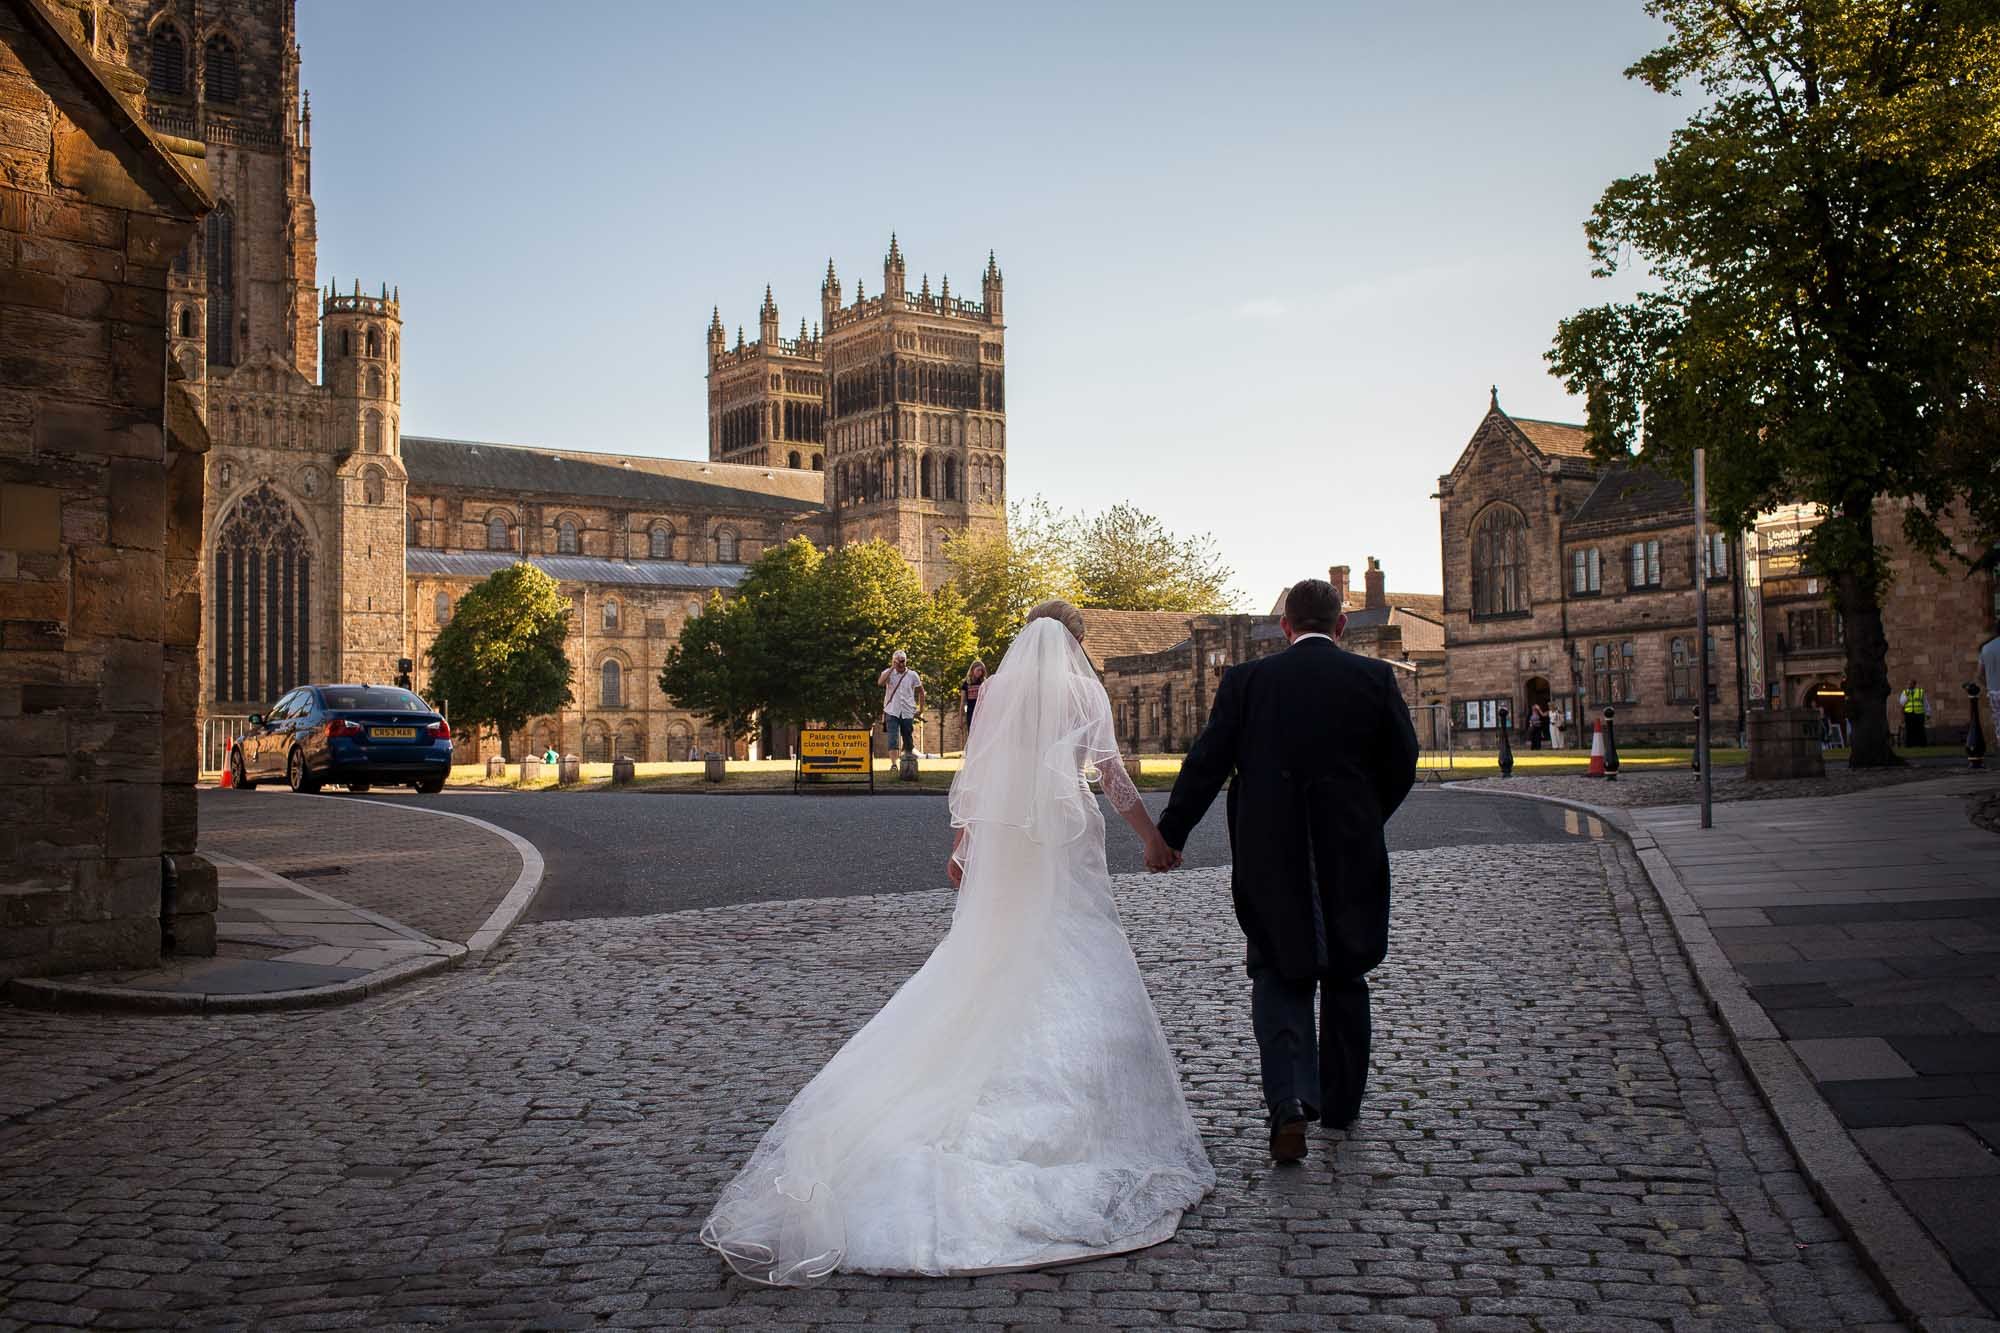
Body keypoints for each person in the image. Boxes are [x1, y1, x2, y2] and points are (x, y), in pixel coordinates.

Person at [703, 601, 1213, 1283]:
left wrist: (963, 842)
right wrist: (1152, 838)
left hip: (1005, 836)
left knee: (988, 953)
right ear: (1074, 641)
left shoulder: (997, 689)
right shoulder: (1082, 687)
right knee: (1072, 949)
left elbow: (979, 769)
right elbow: (1111, 775)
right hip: (1061, 837)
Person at [1155, 577, 1419, 1163]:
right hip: (1351, 847)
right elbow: (1403, 761)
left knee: (1278, 971)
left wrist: (1169, 835)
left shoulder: (1248, 681)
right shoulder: (1374, 678)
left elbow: (1207, 763)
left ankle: (1289, 1103)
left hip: (1269, 849)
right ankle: (1342, 1104)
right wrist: (1367, 814)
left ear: (1285, 627)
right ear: (1342, 625)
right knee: (1348, 972)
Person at [877, 649, 923, 757]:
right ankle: (894, 764)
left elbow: (921, 692)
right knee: (892, 738)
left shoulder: (912, 675)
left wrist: (921, 709)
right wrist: (892, 667)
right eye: (899, 661)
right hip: (892, 710)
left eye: (903, 661)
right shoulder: (888, 673)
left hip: (907, 711)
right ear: (894, 661)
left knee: (907, 736)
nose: (901, 664)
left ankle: (907, 759)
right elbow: (880, 682)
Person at [1981, 616, 2000, 747]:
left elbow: (1979, 674)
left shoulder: (1986, 648)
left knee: (1998, 722)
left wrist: (1988, 685)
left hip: (1994, 692)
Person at [961, 658, 987, 734]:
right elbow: (962, 703)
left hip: (982, 713)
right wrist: (960, 719)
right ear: (972, 670)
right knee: (972, 735)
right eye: (978, 670)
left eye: (982, 671)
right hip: (971, 713)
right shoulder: (966, 683)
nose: (980, 672)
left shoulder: (984, 682)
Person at [1900, 679, 1928, 746]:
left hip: (1919, 713)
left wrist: (1928, 713)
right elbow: (1902, 703)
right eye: (1909, 684)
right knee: (1909, 730)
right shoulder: (1905, 692)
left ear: (1914, 684)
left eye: (1911, 683)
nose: (1909, 685)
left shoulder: (1920, 692)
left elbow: (1925, 703)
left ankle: (1922, 744)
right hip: (1909, 713)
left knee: (1920, 730)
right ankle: (1909, 745)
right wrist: (1907, 696)